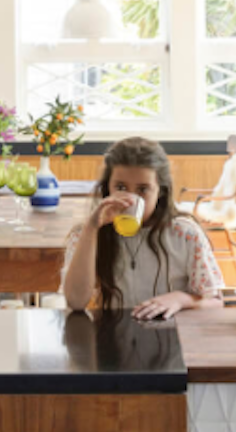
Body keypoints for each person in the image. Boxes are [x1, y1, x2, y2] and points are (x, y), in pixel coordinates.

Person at [62, 136, 224, 320]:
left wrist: (181, 299)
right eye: (121, 187)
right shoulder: (87, 234)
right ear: (108, 188)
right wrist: (91, 229)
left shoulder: (185, 234)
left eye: (143, 189)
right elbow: (75, 301)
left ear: (160, 191)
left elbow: (216, 302)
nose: (131, 199)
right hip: (113, 335)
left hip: (172, 335)